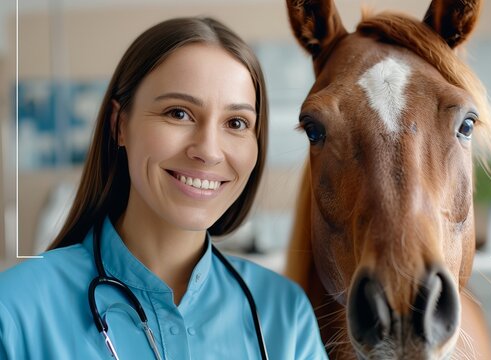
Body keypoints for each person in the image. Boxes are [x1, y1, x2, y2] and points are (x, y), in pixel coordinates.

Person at [0, 17, 327, 360]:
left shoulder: (284, 314)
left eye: (236, 123)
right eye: (179, 113)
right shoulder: (15, 312)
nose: (209, 151)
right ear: (119, 124)